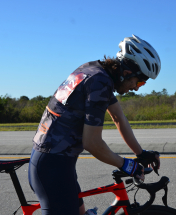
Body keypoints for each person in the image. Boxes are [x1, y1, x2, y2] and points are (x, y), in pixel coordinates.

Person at [28, 34, 161, 215]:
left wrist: (140, 153)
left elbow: (118, 117)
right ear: (127, 73)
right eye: (140, 81)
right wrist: (127, 165)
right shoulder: (100, 82)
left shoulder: (95, 70)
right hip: (52, 168)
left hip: (57, 163)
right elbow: (92, 143)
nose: (137, 88)